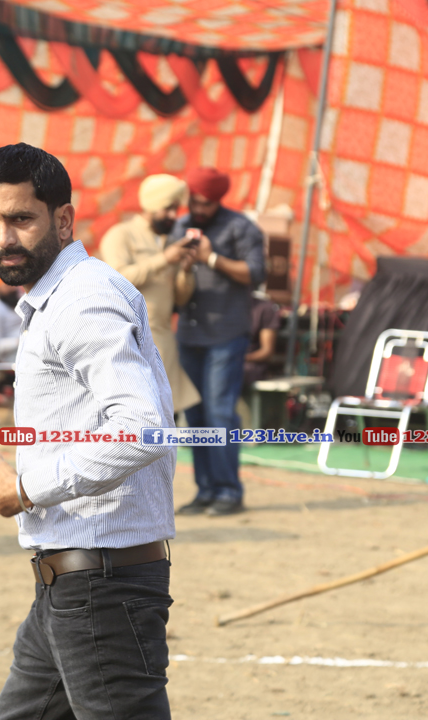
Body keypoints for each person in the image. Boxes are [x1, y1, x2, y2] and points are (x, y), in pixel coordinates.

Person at [0, 143, 177, 718]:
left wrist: (26, 488)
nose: (4, 238)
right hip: (69, 580)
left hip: (101, 585)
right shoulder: (60, 296)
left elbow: (142, 428)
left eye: (21, 218)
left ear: (63, 220)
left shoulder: (81, 300)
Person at [173, 167, 265, 517]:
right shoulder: (181, 227)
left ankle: (228, 491)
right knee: (195, 416)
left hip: (226, 334)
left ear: (218, 200)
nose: (199, 208)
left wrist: (211, 258)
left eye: (206, 203)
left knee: (220, 413)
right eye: (194, 201)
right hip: (189, 333)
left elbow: (255, 273)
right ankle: (206, 490)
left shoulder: (240, 228)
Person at [100, 174, 201, 414]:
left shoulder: (168, 242)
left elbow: (180, 299)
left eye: (175, 209)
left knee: (167, 416)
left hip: (164, 343)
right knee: (137, 415)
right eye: (167, 208)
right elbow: (117, 279)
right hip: (130, 341)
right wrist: (164, 259)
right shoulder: (121, 235)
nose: (173, 215)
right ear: (152, 205)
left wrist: (186, 270)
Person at [244, 292, 281, 387]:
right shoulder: (218, 305)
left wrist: (241, 358)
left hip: (249, 365)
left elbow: (267, 351)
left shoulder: (264, 308)